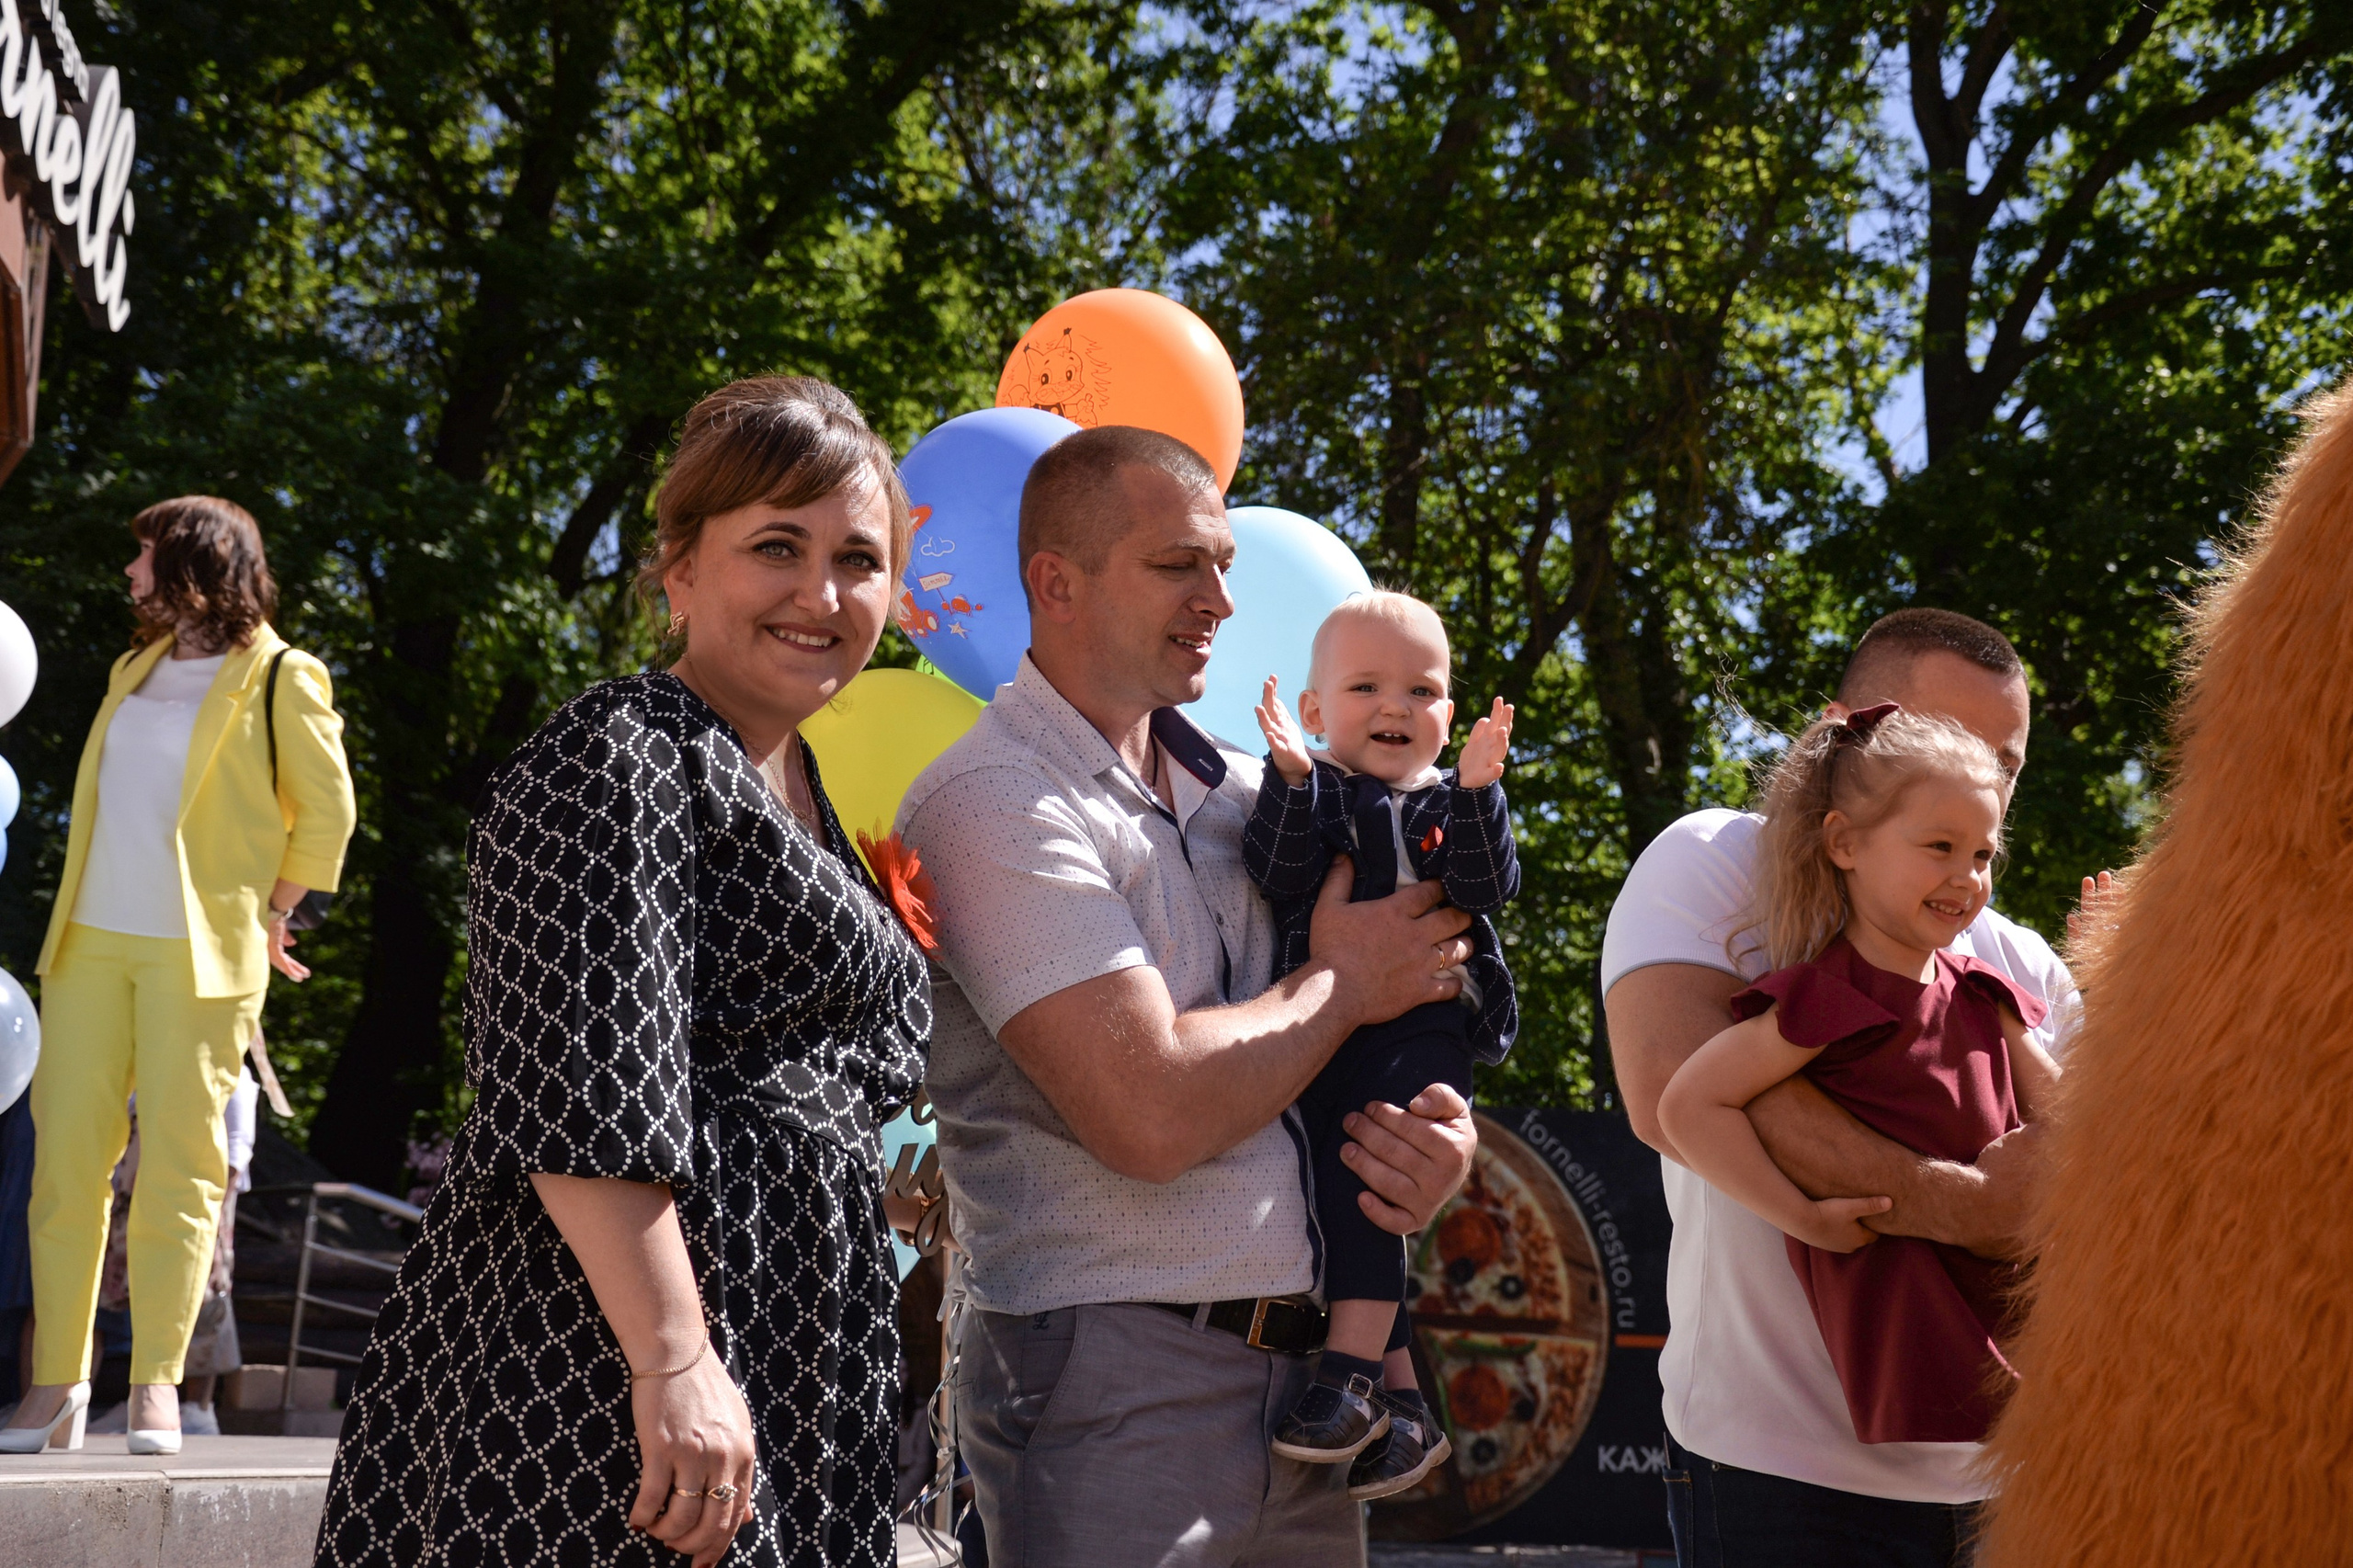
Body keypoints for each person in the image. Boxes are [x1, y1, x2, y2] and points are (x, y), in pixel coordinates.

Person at [314, 377, 933, 1568]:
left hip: (797, 1360)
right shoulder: (623, 756)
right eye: (775, 546)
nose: (822, 592)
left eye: (859, 557)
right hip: (602, 1365)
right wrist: (676, 1360)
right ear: (680, 567)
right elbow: (585, 1093)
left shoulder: (816, 800)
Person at [898, 425, 1481, 1568]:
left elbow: (1414, 991)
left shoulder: (1263, 795)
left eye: (1223, 560)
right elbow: (1150, 1112)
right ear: (1053, 583)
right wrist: (1344, 980)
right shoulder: (988, 796)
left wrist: (1433, 1141)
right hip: (1112, 1386)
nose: (1220, 593)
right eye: (1178, 563)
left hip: (1313, 1393)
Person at [1603, 608, 2079, 1567]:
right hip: (1777, 1478)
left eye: (2003, 760)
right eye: (1934, 736)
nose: (1972, 775)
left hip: (2013, 1474)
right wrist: (1973, 1205)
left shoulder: (2015, 959)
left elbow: (2103, 1157)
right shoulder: (1711, 859)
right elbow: (1669, 1090)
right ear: (1837, 738)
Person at [4, 496, 356, 1457]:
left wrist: (279, 912)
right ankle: (57, 1388)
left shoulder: (284, 674)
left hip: (200, 957)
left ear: (192, 562)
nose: (130, 574)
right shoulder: (132, 668)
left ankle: (157, 1383)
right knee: (65, 1173)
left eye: (144, 556)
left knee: (181, 1170)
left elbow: (327, 817)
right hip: (88, 944)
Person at [1656, 703, 2061, 1448]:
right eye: (1940, 846)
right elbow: (1687, 1104)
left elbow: (2077, 1115)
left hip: (2024, 1331)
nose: (1966, 877)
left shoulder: (1984, 991)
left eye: (1982, 856)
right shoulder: (1824, 998)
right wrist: (1797, 1214)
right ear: (1844, 843)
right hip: (1908, 1346)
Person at [1242, 593, 1518, 1496]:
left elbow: (1484, 883)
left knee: (1367, 1174)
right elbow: (1276, 872)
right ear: (1317, 711)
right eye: (1367, 686)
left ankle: (1350, 1375)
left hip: (1425, 1021)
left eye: (1423, 689)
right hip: (1326, 1024)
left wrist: (1480, 790)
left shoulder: (1450, 800)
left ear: (1450, 711)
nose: (1397, 706)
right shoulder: (1312, 788)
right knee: (1337, 1180)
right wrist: (1287, 777)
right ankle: (1406, 1402)